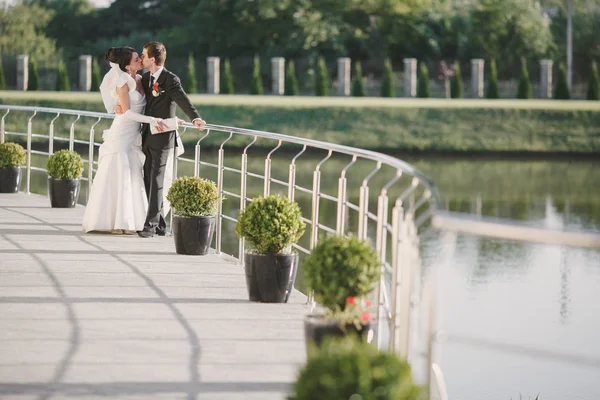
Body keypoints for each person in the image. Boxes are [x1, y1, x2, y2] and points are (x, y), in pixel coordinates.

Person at [82, 47, 165, 234]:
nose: (140, 59)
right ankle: (116, 222)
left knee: (132, 174)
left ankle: (129, 221)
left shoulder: (141, 79)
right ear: (127, 66)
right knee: (119, 171)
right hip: (122, 131)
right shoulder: (123, 82)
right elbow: (126, 112)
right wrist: (152, 120)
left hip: (134, 133)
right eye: (136, 58)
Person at [128, 42, 206, 238]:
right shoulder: (146, 78)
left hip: (163, 138)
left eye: (144, 55)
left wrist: (194, 117)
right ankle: (161, 223)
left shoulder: (170, 79)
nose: (142, 58)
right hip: (147, 135)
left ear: (152, 59)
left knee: (157, 179)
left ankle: (150, 225)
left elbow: (182, 99)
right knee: (147, 179)